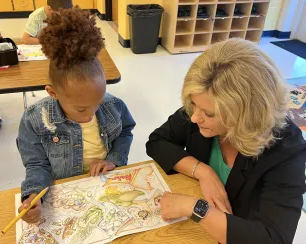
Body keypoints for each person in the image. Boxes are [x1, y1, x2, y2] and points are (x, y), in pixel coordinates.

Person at [146, 39, 306, 244]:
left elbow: (274, 238)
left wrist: (194, 208)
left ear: (246, 115)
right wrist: (203, 171)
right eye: (194, 105)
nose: (195, 118)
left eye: (208, 113)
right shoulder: (201, 106)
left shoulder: (286, 149)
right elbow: (157, 141)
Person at [17, 7, 136, 224]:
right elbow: (36, 164)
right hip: (65, 192)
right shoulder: (35, 120)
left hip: (104, 185)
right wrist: (34, 195)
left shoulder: (113, 106)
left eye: (97, 103)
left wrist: (113, 160)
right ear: (53, 93)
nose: (91, 115)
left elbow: (125, 132)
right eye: (81, 109)